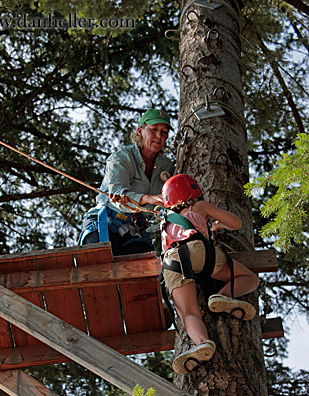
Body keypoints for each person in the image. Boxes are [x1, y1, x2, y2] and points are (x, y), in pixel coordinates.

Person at [161, 174, 260, 375]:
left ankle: (202, 342)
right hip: (200, 251)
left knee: (188, 312)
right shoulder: (199, 206)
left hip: (172, 260)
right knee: (250, 279)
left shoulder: (165, 222)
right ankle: (223, 295)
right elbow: (236, 223)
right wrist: (217, 225)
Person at [79, 109, 174, 256]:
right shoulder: (122, 158)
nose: (159, 136)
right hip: (107, 222)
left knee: (143, 271)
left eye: (164, 132)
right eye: (154, 129)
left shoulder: (167, 167)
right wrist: (150, 199)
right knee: (98, 261)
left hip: (136, 231)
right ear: (140, 131)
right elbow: (117, 194)